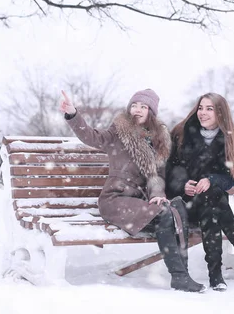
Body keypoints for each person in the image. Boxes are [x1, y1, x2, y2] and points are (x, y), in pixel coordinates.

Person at [60, 89, 206, 293]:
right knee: (165, 214)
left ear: (151, 113)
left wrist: (157, 195)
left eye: (143, 107)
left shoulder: (158, 140)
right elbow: (92, 136)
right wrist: (73, 114)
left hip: (140, 204)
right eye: (134, 105)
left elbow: (157, 176)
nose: (137, 109)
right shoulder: (117, 132)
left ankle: (182, 274)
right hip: (115, 200)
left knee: (176, 208)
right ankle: (179, 276)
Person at [165, 92, 234, 291]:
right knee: (214, 201)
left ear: (220, 112)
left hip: (209, 205)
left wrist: (211, 179)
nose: (202, 113)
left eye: (209, 109)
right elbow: (168, 171)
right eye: (201, 108)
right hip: (183, 204)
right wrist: (182, 184)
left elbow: (232, 182)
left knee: (212, 199)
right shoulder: (182, 133)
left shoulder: (229, 139)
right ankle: (232, 259)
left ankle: (217, 275)